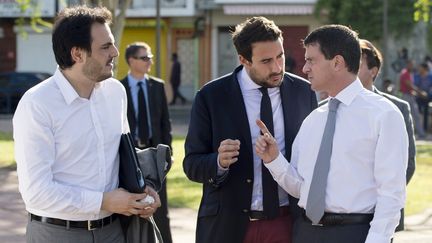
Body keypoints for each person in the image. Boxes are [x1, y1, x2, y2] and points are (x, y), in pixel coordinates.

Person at [13, 6, 160, 243]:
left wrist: (143, 190)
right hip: (56, 234)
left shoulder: (116, 92)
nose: (115, 52)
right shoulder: (37, 104)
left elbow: (123, 156)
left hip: (113, 231)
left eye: (112, 43)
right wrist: (103, 201)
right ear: (77, 54)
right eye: (105, 47)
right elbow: (36, 193)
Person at [255, 25, 408, 243]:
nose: (304, 68)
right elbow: (301, 188)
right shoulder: (313, 119)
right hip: (306, 233)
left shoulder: (383, 115)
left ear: (337, 62)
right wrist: (274, 160)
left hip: (356, 234)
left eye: (311, 60)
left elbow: (392, 194)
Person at [183, 16, 317, 243]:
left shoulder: (304, 92)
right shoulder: (211, 96)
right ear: (244, 59)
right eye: (266, 61)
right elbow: (192, 165)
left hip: (287, 223)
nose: (277, 67)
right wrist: (218, 162)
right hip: (229, 226)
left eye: (280, 56)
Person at [357, 38, 416, 235]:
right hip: (341, 217)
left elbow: (407, 164)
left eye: (357, 63)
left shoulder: (397, 108)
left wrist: (381, 200)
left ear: (373, 71)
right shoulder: (327, 109)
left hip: (380, 212)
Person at [120, 42, 173, 243]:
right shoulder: (119, 88)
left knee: (160, 209)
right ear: (131, 61)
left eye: (150, 57)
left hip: (154, 155)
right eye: (144, 57)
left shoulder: (157, 86)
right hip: (131, 156)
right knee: (132, 207)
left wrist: (168, 154)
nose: (149, 61)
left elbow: (164, 123)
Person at [399, 59, 427, 138]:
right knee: (406, 115)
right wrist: (420, 93)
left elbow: (410, 87)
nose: (412, 66)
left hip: (410, 96)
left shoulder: (409, 73)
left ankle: (421, 134)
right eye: (410, 65)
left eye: (412, 65)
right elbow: (410, 85)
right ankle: (408, 134)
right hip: (406, 97)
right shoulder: (405, 73)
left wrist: (416, 93)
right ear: (407, 65)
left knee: (416, 115)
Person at [414, 63, 432, 132]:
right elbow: (414, 86)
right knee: (417, 112)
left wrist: (427, 94)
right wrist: (420, 93)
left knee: (426, 112)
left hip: (428, 97)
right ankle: (419, 129)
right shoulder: (417, 76)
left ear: (424, 69)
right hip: (418, 96)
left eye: (420, 68)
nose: (419, 69)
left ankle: (425, 128)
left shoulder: (430, 77)